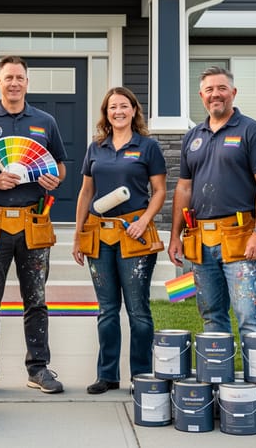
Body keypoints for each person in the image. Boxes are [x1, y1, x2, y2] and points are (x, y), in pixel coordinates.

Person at [0, 55, 67, 397]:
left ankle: (38, 368)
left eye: (20, 77)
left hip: (33, 222)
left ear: (26, 82)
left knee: (36, 299)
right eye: (8, 78)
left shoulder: (45, 122)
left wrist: (53, 179)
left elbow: (60, 167)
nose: (15, 83)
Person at [167, 67, 256, 343]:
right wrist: (175, 236)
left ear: (233, 93)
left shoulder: (253, 131)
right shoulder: (193, 137)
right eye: (210, 90)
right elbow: (184, 187)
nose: (216, 94)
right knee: (211, 314)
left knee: (248, 314)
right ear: (201, 96)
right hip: (200, 239)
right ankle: (219, 380)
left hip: (240, 236)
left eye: (222, 89)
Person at [72, 87, 166, 394]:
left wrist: (144, 221)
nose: (118, 112)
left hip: (134, 235)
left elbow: (160, 191)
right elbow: (86, 192)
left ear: (134, 110)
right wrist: (78, 235)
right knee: (107, 309)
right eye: (113, 107)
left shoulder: (148, 147)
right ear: (106, 113)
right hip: (100, 235)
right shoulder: (95, 147)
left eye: (124, 106)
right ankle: (107, 374)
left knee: (138, 310)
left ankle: (141, 374)